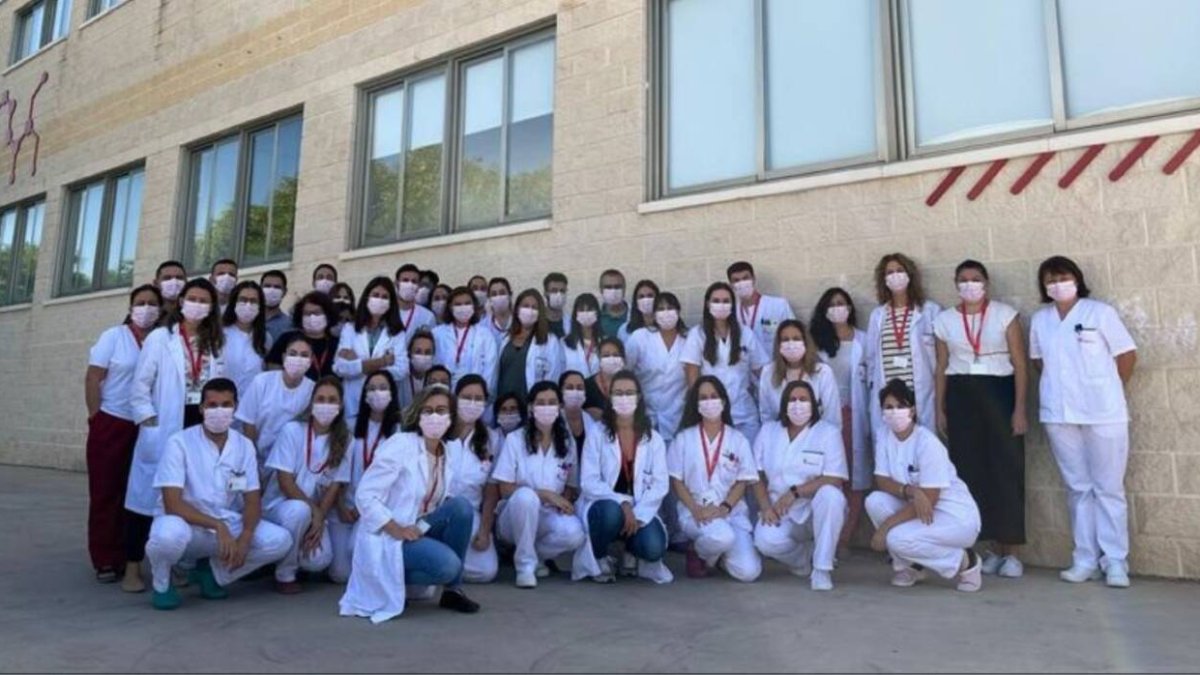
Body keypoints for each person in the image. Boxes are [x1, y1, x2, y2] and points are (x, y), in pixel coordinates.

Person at [1029, 256, 1137, 588]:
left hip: (1103, 412)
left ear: (1076, 279)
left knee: (1108, 488)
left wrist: (1102, 390)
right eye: (1050, 279)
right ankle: (1085, 558)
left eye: (1062, 277)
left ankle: (1115, 561)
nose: (1057, 284)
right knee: (1078, 488)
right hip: (1060, 414)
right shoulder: (1040, 319)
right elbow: (1038, 361)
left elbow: (1126, 356)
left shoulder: (1099, 313)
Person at [143, 378, 291, 610]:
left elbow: (252, 499)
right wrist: (217, 526)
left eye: (226, 404)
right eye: (212, 405)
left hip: (224, 524)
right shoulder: (179, 442)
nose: (219, 411)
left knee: (279, 541)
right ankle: (162, 582)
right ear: (201, 408)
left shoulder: (244, 446)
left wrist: (245, 537)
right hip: (187, 526)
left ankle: (212, 574)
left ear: (236, 407)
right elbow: (172, 503)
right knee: (167, 536)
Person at [339, 385, 482, 622]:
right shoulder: (400, 444)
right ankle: (392, 580)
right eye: (428, 410)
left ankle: (452, 591)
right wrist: (396, 528)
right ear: (418, 415)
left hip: (419, 526)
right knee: (448, 566)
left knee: (461, 508)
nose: (435, 417)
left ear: (451, 417)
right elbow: (365, 494)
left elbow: (438, 500)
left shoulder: (448, 450)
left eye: (441, 410)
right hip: (391, 533)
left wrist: (421, 527)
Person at [125, 278, 226, 593]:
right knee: (144, 499)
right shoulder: (160, 338)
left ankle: (181, 564)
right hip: (165, 423)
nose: (197, 304)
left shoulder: (215, 343)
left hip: (200, 423)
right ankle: (132, 568)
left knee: (194, 495)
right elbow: (140, 385)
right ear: (181, 301)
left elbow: (220, 385)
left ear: (212, 307)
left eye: (204, 300)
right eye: (192, 298)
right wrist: (149, 420)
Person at [934, 260, 1029, 578]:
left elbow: (1019, 363)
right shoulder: (945, 320)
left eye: (975, 279)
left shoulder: (1005, 315)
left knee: (1007, 468)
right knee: (971, 472)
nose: (969, 284)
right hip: (962, 394)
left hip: (999, 391)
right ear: (955, 284)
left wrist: (1018, 408)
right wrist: (940, 408)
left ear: (986, 283)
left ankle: (1012, 550)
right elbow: (941, 366)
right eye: (963, 280)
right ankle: (986, 547)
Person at [867, 379, 982, 592]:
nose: (895, 412)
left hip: (954, 518)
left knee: (895, 539)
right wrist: (910, 490)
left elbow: (931, 498)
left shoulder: (927, 443)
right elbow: (882, 480)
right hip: (920, 509)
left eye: (901, 406)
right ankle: (911, 566)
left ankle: (965, 560)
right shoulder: (884, 435)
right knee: (874, 501)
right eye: (889, 407)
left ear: (912, 410)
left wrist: (885, 528)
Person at [85, 284, 162, 584]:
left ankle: (135, 555)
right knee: (107, 491)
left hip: (147, 424)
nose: (146, 308)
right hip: (113, 421)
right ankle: (105, 557)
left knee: (140, 493)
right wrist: (96, 416)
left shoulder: (161, 339)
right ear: (131, 307)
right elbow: (94, 376)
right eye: (141, 303)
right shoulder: (114, 337)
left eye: (152, 303)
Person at [573, 370, 672, 584]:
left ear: (639, 397)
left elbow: (660, 484)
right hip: (605, 507)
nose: (624, 398)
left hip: (640, 509)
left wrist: (639, 513)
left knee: (654, 547)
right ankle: (599, 557)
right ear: (610, 397)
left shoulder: (653, 438)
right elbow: (588, 482)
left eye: (629, 393)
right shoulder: (597, 433)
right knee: (610, 513)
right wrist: (623, 503)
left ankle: (630, 550)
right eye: (618, 393)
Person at [751, 380, 847, 591]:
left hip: (815, 511)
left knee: (831, 495)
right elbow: (755, 473)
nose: (797, 404)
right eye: (792, 400)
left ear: (813, 404)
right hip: (781, 511)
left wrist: (795, 492)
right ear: (784, 404)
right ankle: (803, 560)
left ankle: (822, 569)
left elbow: (835, 478)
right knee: (764, 541)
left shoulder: (827, 432)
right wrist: (765, 506)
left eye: (803, 399)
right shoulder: (769, 431)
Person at [492, 381, 587, 588]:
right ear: (531, 408)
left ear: (560, 408)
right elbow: (505, 489)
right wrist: (545, 494)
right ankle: (525, 567)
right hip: (515, 514)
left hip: (548, 515)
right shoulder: (515, 440)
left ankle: (535, 555)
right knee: (526, 497)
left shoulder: (567, 442)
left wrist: (565, 501)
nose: (546, 407)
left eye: (552, 402)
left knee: (575, 534)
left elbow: (571, 485)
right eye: (541, 403)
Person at [263, 377, 352, 593]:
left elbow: (335, 486)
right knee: (298, 511)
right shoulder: (293, 430)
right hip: (280, 507)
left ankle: (288, 554)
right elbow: (285, 481)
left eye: (332, 400)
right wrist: (315, 513)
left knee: (319, 560)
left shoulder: (346, 439)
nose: (326, 404)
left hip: (312, 512)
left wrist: (319, 516)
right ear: (311, 403)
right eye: (320, 399)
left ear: (340, 406)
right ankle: (285, 573)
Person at [669, 376, 761, 582]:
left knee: (748, 572)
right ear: (696, 404)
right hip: (697, 511)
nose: (709, 402)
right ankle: (698, 550)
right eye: (703, 398)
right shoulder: (684, 438)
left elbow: (742, 481)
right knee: (722, 537)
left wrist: (724, 508)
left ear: (724, 402)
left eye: (713, 396)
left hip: (730, 511)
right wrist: (695, 509)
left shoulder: (738, 439)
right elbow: (677, 481)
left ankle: (714, 557)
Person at [810, 287, 872, 551]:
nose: (838, 308)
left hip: (855, 414)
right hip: (825, 416)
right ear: (825, 311)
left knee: (855, 478)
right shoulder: (816, 342)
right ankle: (826, 537)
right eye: (832, 304)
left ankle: (843, 539)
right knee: (830, 475)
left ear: (850, 308)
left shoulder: (864, 339)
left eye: (842, 303)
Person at [330, 371, 400, 583]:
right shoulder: (350, 425)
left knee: (355, 549)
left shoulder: (399, 429)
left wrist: (368, 509)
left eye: (383, 387)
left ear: (392, 393)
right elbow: (337, 469)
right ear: (364, 394)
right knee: (339, 574)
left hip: (376, 507)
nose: (377, 393)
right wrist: (341, 505)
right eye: (371, 388)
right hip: (345, 506)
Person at [682, 282, 770, 442]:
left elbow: (762, 370)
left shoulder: (745, 333)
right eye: (716, 301)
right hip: (713, 412)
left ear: (732, 304)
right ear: (707, 303)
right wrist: (699, 408)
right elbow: (692, 375)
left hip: (745, 413)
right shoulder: (697, 334)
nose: (721, 305)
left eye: (725, 301)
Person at [866, 253, 941, 431]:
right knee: (890, 449)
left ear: (910, 275)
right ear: (883, 279)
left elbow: (940, 357)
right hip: (889, 396)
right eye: (889, 272)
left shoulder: (930, 311)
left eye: (900, 270)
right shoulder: (878, 315)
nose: (895, 275)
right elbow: (871, 358)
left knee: (922, 447)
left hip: (920, 394)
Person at [449, 375, 502, 583]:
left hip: (470, 513)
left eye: (478, 398)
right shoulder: (440, 431)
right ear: (455, 399)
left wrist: (485, 530)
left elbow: (491, 491)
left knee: (486, 571)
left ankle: (448, 566)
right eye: (466, 397)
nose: (472, 403)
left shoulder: (492, 439)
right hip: (436, 511)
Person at [334, 277, 409, 421]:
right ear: (366, 297)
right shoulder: (350, 328)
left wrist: (358, 363)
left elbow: (401, 370)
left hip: (383, 402)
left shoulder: (397, 333)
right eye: (375, 295)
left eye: (385, 297)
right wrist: (383, 362)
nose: (379, 300)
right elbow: (340, 367)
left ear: (391, 302)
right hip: (353, 401)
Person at [237, 335, 318, 467]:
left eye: (304, 355)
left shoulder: (312, 390)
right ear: (284, 357)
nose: (298, 359)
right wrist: (252, 460)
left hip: (290, 462)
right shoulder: (262, 381)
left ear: (311, 360)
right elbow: (248, 422)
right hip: (256, 456)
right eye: (293, 354)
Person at [624, 291, 689, 444]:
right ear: (653, 314)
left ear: (678, 312)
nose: (666, 312)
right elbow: (626, 373)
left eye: (670, 308)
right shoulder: (640, 337)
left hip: (678, 416)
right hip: (644, 415)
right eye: (660, 309)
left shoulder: (689, 339)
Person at [756, 319, 841, 431]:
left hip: (817, 438)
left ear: (806, 343)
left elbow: (832, 416)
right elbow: (767, 416)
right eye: (785, 340)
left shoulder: (823, 372)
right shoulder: (768, 373)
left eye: (796, 339)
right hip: (781, 438)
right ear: (779, 345)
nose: (791, 344)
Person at [496, 289, 564, 400]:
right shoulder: (505, 339)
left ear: (540, 313)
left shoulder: (550, 341)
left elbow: (552, 377)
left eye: (534, 307)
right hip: (504, 403)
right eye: (525, 306)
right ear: (517, 310)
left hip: (532, 403)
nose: (529, 311)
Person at [433, 287, 498, 394]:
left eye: (467, 303)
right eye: (458, 304)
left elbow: (490, 369)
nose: (463, 307)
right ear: (450, 307)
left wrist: (482, 393)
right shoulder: (437, 333)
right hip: (443, 393)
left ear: (474, 306)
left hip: (475, 395)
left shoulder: (485, 334)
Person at [727, 261, 796, 357]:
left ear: (753, 279)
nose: (741, 283)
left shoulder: (778, 305)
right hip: (744, 368)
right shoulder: (730, 312)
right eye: (736, 280)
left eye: (745, 278)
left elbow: (794, 334)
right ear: (731, 285)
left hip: (774, 366)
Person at [265, 292, 339, 380]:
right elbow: (273, 366)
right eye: (307, 313)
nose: (312, 317)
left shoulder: (337, 343)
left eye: (317, 313)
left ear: (328, 315)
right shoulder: (287, 338)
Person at [221, 280, 267, 399]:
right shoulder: (220, 333)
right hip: (222, 403)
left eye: (253, 301)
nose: (248, 304)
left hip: (252, 407)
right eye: (243, 299)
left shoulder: (265, 338)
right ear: (234, 302)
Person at [584, 337, 627, 419]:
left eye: (616, 355)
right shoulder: (587, 386)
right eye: (606, 355)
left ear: (623, 358)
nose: (611, 359)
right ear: (599, 358)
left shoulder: (630, 384)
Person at [562, 293, 602, 377]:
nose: (586, 313)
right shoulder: (564, 343)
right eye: (581, 310)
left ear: (597, 313)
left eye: (590, 309)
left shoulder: (605, 341)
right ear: (575, 314)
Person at [395, 264, 437, 343]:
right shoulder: (386, 312)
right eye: (405, 280)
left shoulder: (428, 316)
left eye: (414, 281)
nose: (409, 284)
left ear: (418, 286)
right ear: (397, 284)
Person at [560, 370, 599, 454]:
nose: (575, 392)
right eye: (570, 388)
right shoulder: (554, 420)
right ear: (561, 392)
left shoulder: (592, 421)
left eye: (580, 388)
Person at [399, 329, 436, 410]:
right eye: (418, 352)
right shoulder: (400, 379)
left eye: (428, 352)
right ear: (409, 353)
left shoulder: (435, 379)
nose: (423, 356)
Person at [260, 270, 292, 344]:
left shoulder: (289, 325)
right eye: (267, 286)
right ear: (260, 289)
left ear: (284, 292)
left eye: (277, 287)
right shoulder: (249, 319)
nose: (271, 290)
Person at [597, 269, 629, 341]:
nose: (613, 291)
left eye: (617, 287)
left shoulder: (634, 314)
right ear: (601, 290)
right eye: (608, 287)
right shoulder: (595, 317)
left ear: (624, 289)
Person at [483, 277, 514, 347]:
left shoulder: (520, 322)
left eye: (502, 293)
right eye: (494, 294)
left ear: (510, 295)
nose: (498, 297)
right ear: (489, 298)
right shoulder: (483, 326)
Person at [543, 272, 569, 337]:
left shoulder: (571, 323)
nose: (559, 294)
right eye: (554, 291)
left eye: (562, 291)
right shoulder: (536, 321)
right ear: (545, 293)